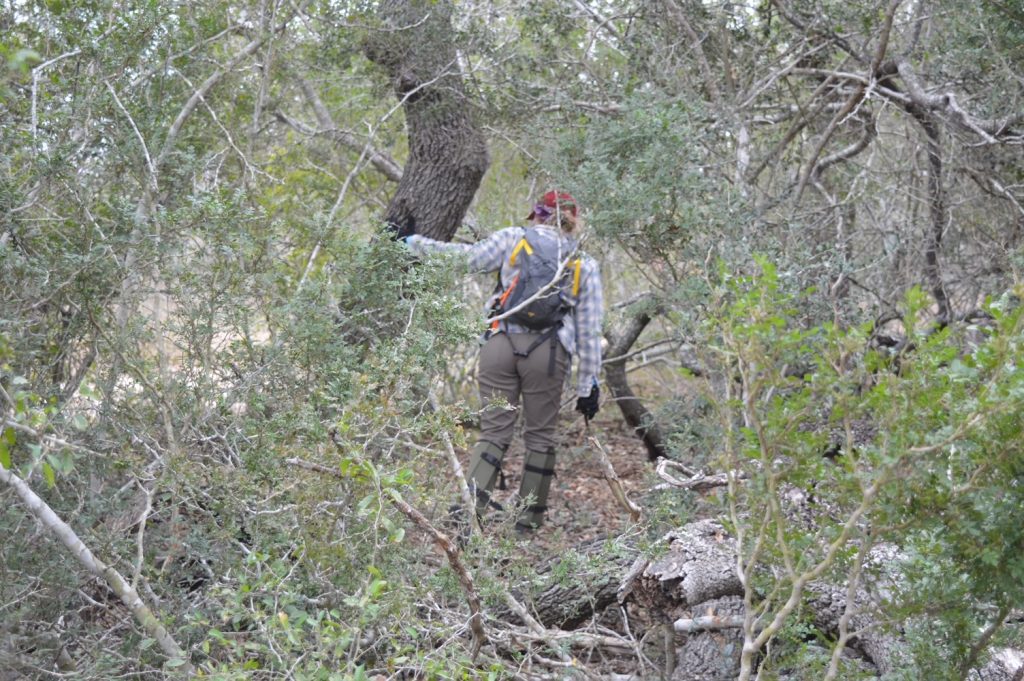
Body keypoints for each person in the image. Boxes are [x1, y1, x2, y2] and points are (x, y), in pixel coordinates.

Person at [397, 190, 603, 532]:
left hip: (500, 344)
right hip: (548, 354)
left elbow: (463, 259)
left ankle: (468, 515)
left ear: (535, 214)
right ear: (572, 220)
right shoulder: (584, 263)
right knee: (540, 438)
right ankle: (527, 525)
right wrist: (588, 385)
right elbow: (589, 330)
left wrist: (410, 242)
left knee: (493, 431)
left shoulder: (513, 239)